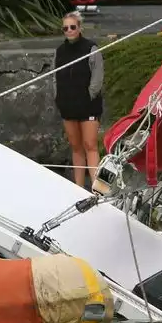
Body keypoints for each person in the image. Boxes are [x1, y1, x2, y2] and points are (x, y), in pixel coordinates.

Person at [53, 11, 104, 190]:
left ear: (79, 28)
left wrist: (88, 96)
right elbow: (55, 77)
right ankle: (79, 188)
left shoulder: (91, 48)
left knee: (90, 145)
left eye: (72, 27)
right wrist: (59, 98)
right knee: (76, 147)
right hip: (68, 106)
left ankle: (97, 190)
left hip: (88, 106)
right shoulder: (59, 51)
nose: (69, 30)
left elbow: (97, 79)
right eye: (65, 28)